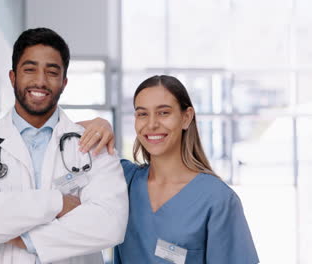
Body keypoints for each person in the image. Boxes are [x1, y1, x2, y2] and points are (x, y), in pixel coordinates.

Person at [0, 27, 128, 264]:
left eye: (51, 72)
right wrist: (57, 202)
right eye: (29, 69)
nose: (40, 81)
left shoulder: (93, 146)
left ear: (64, 81)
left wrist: (28, 239)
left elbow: (110, 223)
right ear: (13, 77)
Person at [80, 75, 259, 264]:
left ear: (186, 117)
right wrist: (100, 124)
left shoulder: (217, 199)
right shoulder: (122, 178)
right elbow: (58, 136)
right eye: (142, 114)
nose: (152, 124)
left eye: (163, 113)